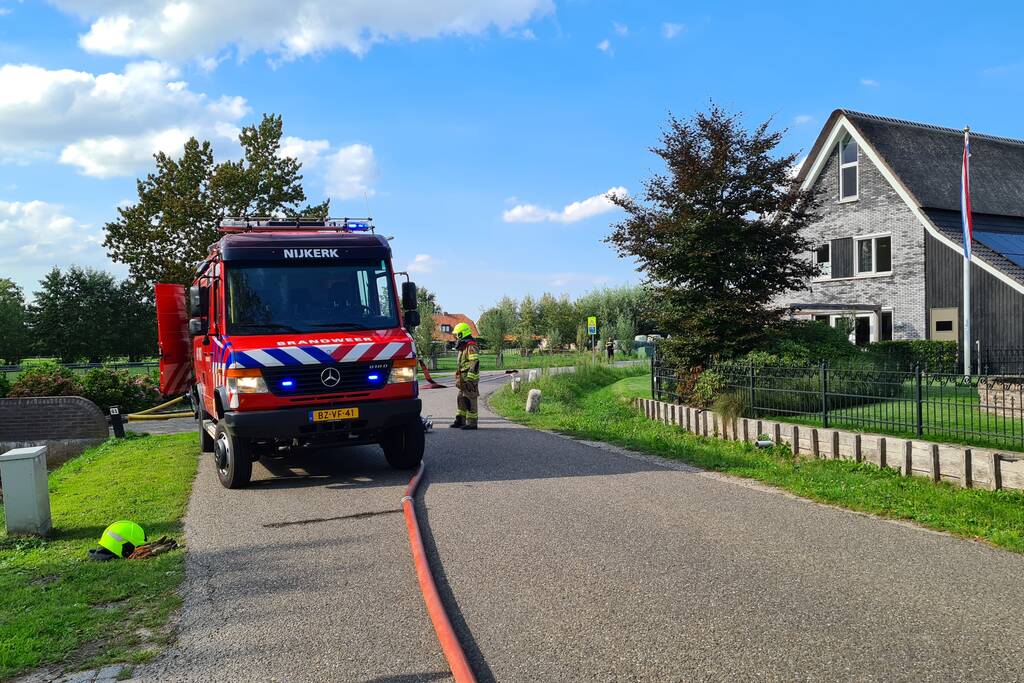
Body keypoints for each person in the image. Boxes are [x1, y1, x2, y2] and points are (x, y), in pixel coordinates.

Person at [449, 322, 480, 430]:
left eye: (457, 334)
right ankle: (460, 420)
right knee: (461, 398)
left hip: (469, 378)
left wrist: (470, 378)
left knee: (470, 399)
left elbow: (474, 362)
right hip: (463, 378)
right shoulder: (463, 346)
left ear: (462, 334)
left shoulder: (470, 346)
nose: (455, 336)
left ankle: (472, 423)